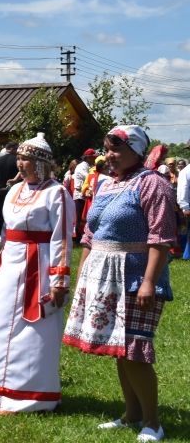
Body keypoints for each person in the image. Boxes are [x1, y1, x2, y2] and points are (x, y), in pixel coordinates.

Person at [63, 125, 176, 442]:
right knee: (119, 349)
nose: (107, 156)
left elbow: (161, 238)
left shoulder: (153, 184)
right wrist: (82, 278)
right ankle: (132, 414)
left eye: (115, 149)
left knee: (134, 350)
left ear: (136, 151)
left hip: (135, 277)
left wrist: (149, 282)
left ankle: (153, 423)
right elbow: (90, 235)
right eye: (106, 149)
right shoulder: (107, 185)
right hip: (103, 277)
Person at [0, 133, 74, 413]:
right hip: (9, 267)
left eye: (26, 159)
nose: (20, 164)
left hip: (38, 269)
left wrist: (59, 280)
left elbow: (62, 239)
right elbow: (4, 233)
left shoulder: (57, 193)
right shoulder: (14, 190)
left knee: (33, 330)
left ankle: (29, 394)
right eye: (19, 158)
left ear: (41, 163)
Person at [0, 142, 18, 245]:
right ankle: (11, 237)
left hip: (0, 190)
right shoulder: (17, 161)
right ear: (13, 148)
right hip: (14, 190)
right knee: (14, 214)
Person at [73, 148, 96, 237]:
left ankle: (82, 235)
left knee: (84, 216)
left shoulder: (88, 166)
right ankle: (78, 237)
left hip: (84, 194)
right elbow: (89, 177)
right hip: (79, 195)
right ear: (88, 157)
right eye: (93, 157)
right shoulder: (82, 166)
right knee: (80, 217)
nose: (94, 159)